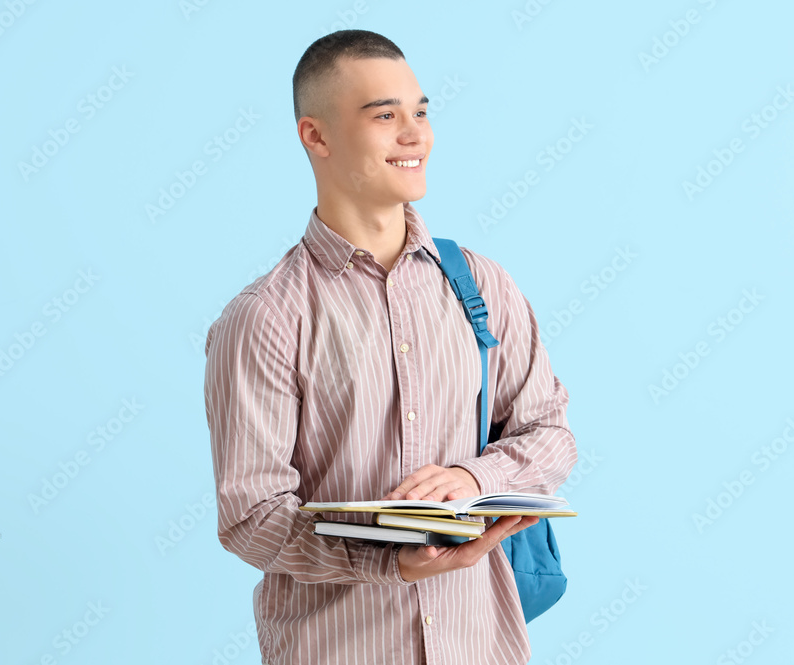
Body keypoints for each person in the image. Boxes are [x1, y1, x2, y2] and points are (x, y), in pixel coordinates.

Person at [203, 28, 577, 665]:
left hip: (479, 645)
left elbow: (550, 432)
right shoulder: (265, 317)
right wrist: (388, 561)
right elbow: (251, 515)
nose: (415, 135)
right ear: (315, 136)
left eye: (421, 112)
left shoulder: (480, 284)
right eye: (385, 116)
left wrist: (472, 477)